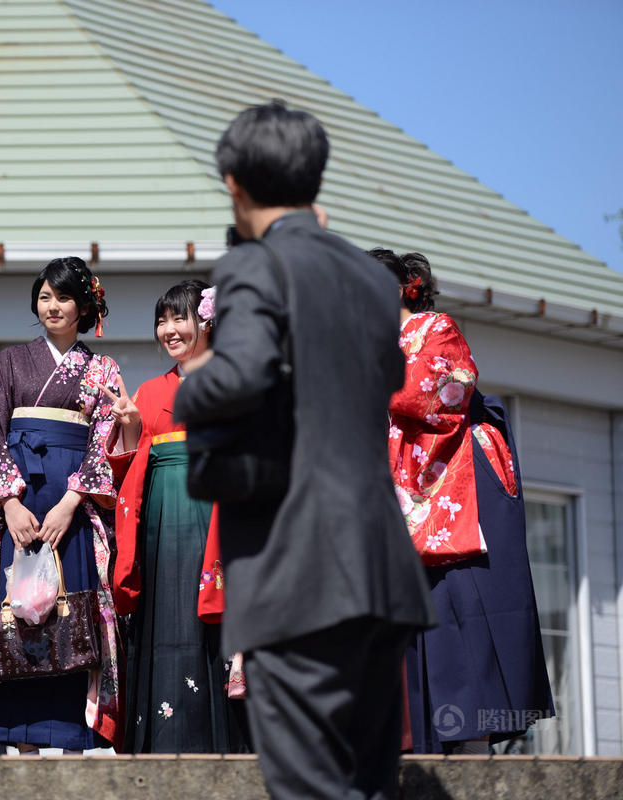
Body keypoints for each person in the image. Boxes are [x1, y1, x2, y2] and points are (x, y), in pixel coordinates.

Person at [174, 102, 435, 799]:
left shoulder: (256, 266)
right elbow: (389, 381)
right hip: (381, 567)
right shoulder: (373, 279)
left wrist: (191, 388)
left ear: (233, 183)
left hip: (297, 568)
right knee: (367, 786)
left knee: (310, 787)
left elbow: (244, 373)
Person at [372, 248, 553, 753]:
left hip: (457, 479)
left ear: (405, 286)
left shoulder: (435, 328)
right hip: (401, 494)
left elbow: (436, 392)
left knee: (468, 612)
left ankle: (474, 739)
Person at [0, 257, 124, 752]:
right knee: (19, 609)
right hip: (21, 502)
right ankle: (20, 740)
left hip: (69, 509)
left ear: (84, 305)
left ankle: (74, 738)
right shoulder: (12, 360)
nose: (52, 306)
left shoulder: (102, 368)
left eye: (64, 297)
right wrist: (8, 503)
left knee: (71, 610)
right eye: (45, 297)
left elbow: (106, 436)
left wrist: (73, 500)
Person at [106, 279, 249, 754]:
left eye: (179, 318)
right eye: (162, 320)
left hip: (216, 509)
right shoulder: (148, 391)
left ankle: (224, 738)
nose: (169, 330)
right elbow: (131, 466)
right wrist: (129, 429)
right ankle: (162, 740)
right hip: (161, 516)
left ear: (206, 322)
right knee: (164, 617)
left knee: (213, 612)